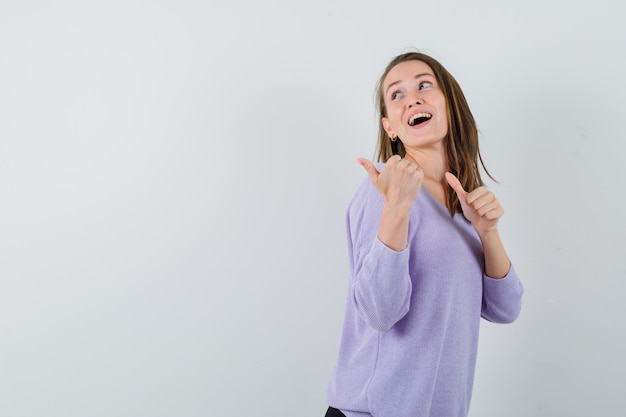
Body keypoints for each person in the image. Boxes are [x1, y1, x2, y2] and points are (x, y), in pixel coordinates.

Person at [324, 51, 524, 417]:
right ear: (390, 128)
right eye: (396, 94)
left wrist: (487, 232)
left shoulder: (462, 202)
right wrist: (397, 209)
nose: (412, 98)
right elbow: (379, 312)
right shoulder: (384, 188)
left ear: (449, 103)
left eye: (424, 85)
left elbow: (505, 308)